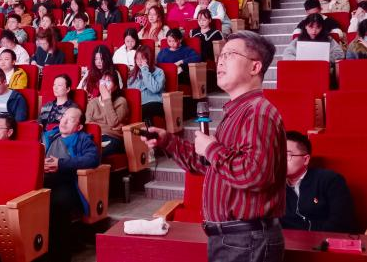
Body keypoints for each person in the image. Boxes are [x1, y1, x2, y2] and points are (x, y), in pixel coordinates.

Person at [143, 30, 286, 262]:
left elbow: (255, 173)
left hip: (247, 239)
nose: (220, 60)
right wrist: (168, 141)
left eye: (230, 54)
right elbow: (208, 165)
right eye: (221, 55)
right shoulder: (238, 112)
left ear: (255, 67)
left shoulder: (258, 112)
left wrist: (211, 149)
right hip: (231, 238)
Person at [43, 107, 99, 262]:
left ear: (79, 127)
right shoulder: (49, 135)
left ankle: (60, 256)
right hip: (43, 181)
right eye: (64, 117)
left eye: (71, 119)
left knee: (56, 205)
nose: (64, 121)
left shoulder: (83, 139)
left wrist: (61, 164)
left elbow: (92, 159)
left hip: (67, 182)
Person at [282, 131, 357, 233]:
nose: (280, 160)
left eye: (287, 155)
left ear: (306, 159)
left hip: (325, 241)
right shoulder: (274, 186)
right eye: (277, 155)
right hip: (286, 241)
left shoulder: (330, 181)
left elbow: (341, 223)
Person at [86, 70, 129, 157]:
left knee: (112, 146)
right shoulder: (92, 102)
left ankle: (90, 159)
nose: (104, 84)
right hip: (95, 136)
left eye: (109, 81)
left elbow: (113, 123)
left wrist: (107, 99)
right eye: (103, 80)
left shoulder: (121, 101)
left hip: (113, 138)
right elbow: (88, 124)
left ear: (115, 87)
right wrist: (108, 127)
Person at [127, 45, 164, 125]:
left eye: (142, 59)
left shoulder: (159, 72)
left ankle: (149, 131)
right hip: (139, 104)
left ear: (149, 59)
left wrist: (145, 70)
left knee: (143, 110)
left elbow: (154, 89)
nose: (139, 61)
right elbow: (131, 92)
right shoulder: (133, 74)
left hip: (155, 102)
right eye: (137, 59)